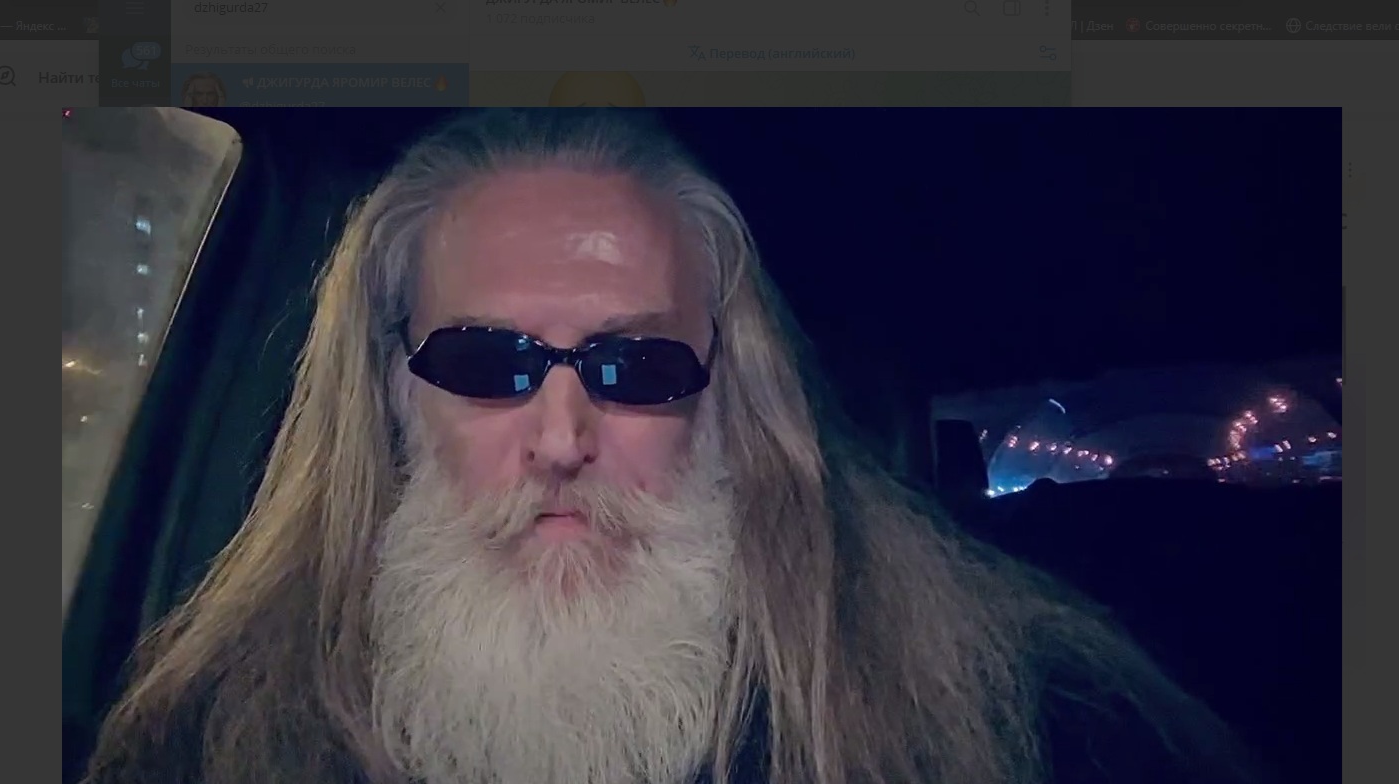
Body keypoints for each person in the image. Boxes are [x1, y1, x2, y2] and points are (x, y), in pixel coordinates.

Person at [83, 109, 1262, 784]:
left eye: (636, 368)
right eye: (487, 364)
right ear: (389, 395)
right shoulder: (203, 742)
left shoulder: (1035, 727)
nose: (560, 437)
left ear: (730, 406)